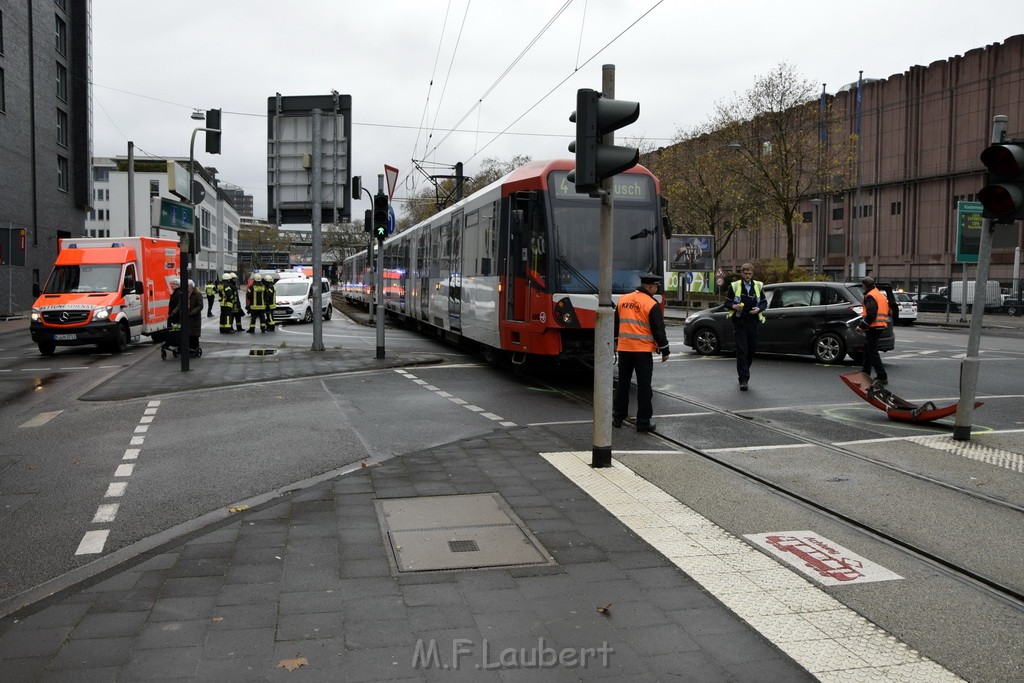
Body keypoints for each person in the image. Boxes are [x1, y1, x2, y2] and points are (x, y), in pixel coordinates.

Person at [613, 272, 670, 433]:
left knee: (622, 384)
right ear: (651, 286)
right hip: (642, 351)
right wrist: (664, 349)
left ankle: (618, 417)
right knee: (644, 387)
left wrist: (617, 340)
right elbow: (658, 329)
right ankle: (643, 421)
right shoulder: (651, 304)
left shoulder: (623, 300)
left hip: (624, 349)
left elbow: (616, 324)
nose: (656, 289)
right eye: (656, 287)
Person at [725, 263, 767, 391]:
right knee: (742, 351)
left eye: (750, 273)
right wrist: (734, 306)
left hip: (753, 323)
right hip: (740, 322)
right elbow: (726, 302)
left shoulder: (758, 286)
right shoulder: (735, 286)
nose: (748, 276)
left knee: (751, 350)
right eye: (745, 273)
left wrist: (759, 308)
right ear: (741, 273)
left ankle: (744, 372)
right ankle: (743, 379)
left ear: (752, 274)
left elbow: (764, 302)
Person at [860, 276, 891, 385]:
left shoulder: (870, 296)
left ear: (865, 286)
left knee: (872, 352)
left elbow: (871, 314)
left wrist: (861, 326)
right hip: (880, 325)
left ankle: (882, 376)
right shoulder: (880, 295)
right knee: (868, 349)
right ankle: (865, 372)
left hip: (873, 326)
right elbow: (889, 311)